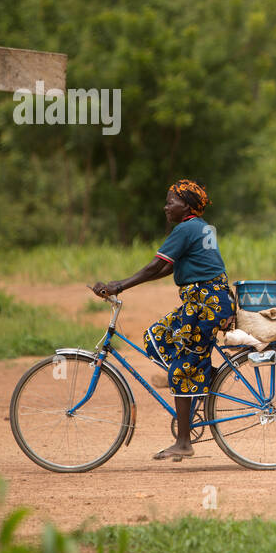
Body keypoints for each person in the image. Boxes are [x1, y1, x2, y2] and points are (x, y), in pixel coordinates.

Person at [92, 179, 233, 462]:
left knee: (181, 368)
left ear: (188, 207)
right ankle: (203, 376)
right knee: (157, 337)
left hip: (204, 304)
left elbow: (157, 265)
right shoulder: (201, 228)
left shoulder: (186, 228)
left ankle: (183, 442)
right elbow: (167, 268)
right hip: (209, 301)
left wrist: (120, 285)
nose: (166, 207)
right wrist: (126, 284)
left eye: (171, 202)